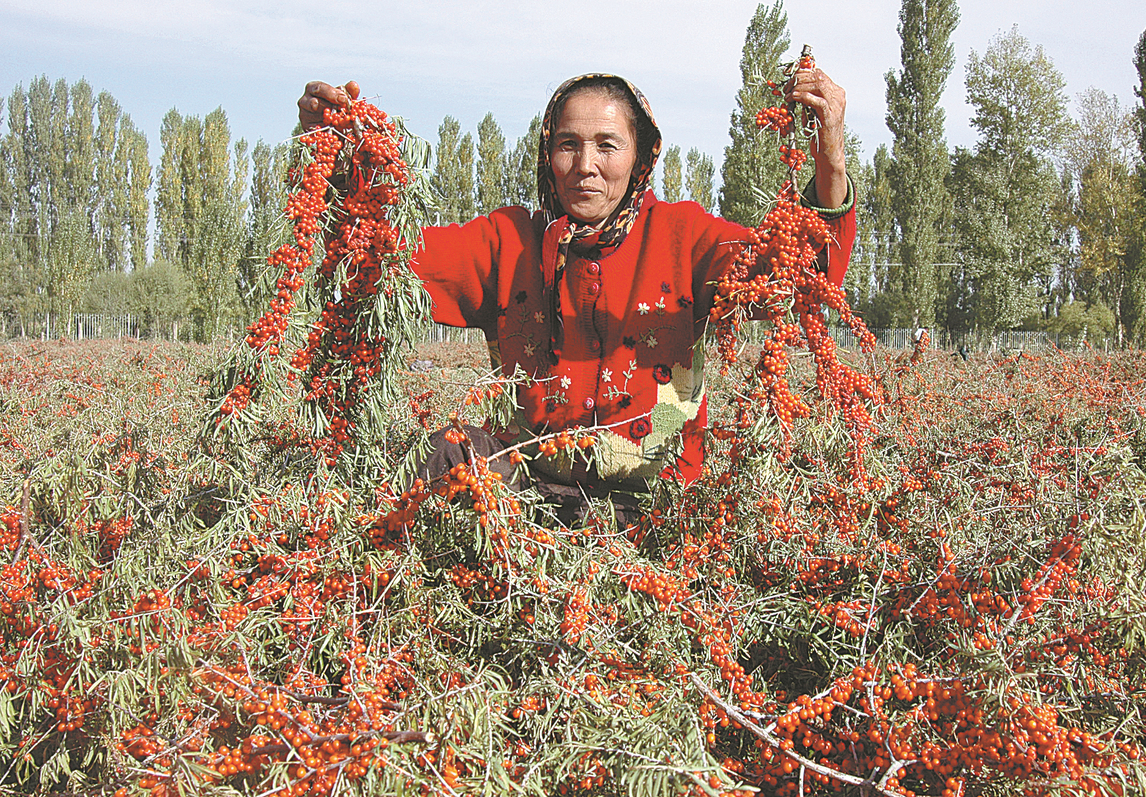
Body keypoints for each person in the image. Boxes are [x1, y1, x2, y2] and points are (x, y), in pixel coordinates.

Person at [298, 70, 855, 526]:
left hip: (651, 500)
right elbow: (387, 260)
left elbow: (794, 273)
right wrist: (344, 163)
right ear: (548, 154)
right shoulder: (509, 242)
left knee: (701, 529)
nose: (585, 165)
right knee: (450, 454)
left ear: (640, 158)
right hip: (529, 487)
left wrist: (829, 155)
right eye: (569, 145)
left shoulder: (684, 236)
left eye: (606, 145)